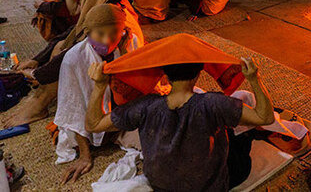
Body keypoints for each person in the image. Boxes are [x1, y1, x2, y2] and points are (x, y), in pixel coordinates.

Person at [85, 40, 275, 191]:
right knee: (241, 135)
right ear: (198, 74)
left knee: (229, 124)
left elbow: (93, 124)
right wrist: (254, 79)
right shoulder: (213, 103)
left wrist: (100, 86)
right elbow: (265, 118)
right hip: (210, 188)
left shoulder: (145, 106)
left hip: (161, 186)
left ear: (165, 76)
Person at [7, 0, 143, 127]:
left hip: (118, 84)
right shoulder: (106, 3)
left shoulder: (112, 18)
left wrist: (36, 74)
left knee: (67, 62)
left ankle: (40, 103)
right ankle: (43, 95)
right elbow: (72, 32)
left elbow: (74, 50)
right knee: (61, 46)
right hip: (105, 69)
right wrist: (36, 60)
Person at [54, 4, 140, 184]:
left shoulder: (130, 41)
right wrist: (85, 156)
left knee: (158, 142)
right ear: (88, 31)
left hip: (120, 119)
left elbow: (138, 88)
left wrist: (124, 54)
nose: (108, 40)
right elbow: (74, 109)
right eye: (100, 34)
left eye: (114, 33)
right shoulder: (74, 59)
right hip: (92, 124)